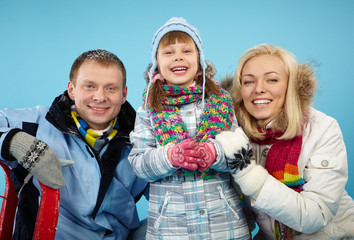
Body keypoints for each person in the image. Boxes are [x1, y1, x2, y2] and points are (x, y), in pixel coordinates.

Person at [0, 49, 148, 239]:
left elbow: (170, 194)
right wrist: (16, 142)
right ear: (71, 89)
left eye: (111, 88)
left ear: (124, 93)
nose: (100, 97)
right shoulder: (38, 124)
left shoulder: (141, 139)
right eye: (89, 86)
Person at [128, 17, 251, 240]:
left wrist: (214, 153)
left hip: (224, 225)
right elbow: (138, 163)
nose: (178, 56)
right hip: (172, 229)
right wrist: (170, 156)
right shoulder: (148, 109)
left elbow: (241, 154)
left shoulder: (220, 103)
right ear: (156, 63)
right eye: (168, 52)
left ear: (200, 61)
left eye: (186, 50)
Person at [216, 43, 354, 239]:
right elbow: (239, 214)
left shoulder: (323, 127)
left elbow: (315, 215)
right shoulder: (234, 135)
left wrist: (249, 174)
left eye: (272, 79)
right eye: (248, 82)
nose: (259, 89)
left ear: (290, 86)